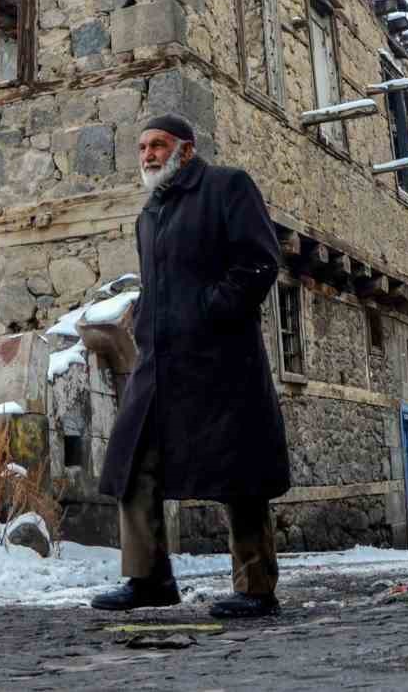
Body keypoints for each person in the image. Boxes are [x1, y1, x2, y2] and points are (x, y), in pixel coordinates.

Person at [89, 114, 291, 619]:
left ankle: (256, 586)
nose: (148, 155)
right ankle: (149, 578)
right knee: (132, 463)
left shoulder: (227, 186)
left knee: (239, 472)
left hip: (221, 359)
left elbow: (260, 262)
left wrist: (207, 311)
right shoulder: (149, 215)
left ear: (186, 149)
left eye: (158, 145)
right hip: (159, 364)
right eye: (141, 147)